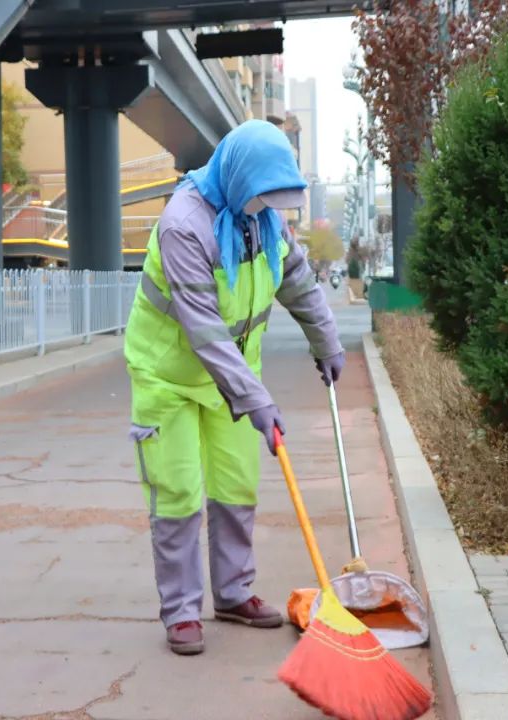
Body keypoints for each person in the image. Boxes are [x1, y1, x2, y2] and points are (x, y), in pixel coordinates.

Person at [124, 120, 345, 655]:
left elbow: (299, 284)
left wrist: (327, 342)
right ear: (242, 178)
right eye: (264, 196)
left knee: (237, 483)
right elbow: (203, 330)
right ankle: (180, 612)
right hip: (169, 376)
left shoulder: (265, 222)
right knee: (177, 491)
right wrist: (259, 401)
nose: (270, 207)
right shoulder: (184, 226)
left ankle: (233, 593)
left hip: (233, 380)